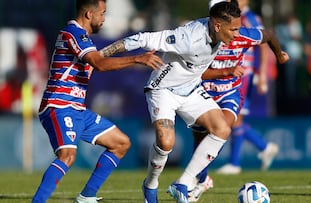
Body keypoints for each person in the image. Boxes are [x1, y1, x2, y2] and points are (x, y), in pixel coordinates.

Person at [100, 1, 288, 203]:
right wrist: (100, 55)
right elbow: (141, 38)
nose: (237, 34)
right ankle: (150, 185)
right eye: (233, 29)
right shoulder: (188, 37)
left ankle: (183, 183)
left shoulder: (236, 34)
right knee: (166, 142)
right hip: (164, 90)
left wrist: (279, 54)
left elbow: (268, 34)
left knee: (222, 128)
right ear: (217, 26)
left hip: (192, 89)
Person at [31, 0, 163, 203]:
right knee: (67, 156)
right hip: (59, 106)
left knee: (121, 143)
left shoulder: (85, 40)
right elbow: (100, 63)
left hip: (77, 109)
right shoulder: (72, 34)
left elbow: (100, 58)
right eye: (102, 13)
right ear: (88, 15)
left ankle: (86, 196)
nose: (104, 18)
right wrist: (137, 59)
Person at [187, 0, 286, 201]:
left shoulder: (247, 22)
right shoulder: (199, 32)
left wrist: (270, 66)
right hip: (205, 87)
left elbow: (266, 39)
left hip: (236, 82)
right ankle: (203, 179)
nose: (235, 32)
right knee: (200, 139)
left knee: (223, 127)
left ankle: (237, 161)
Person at [216, 0, 279, 175]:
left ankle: (235, 163)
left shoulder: (250, 17)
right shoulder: (232, 16)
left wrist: (263, 74)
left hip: (244, 73)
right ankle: (263, 146)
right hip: (231, 70)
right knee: (232, 118)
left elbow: (264, 43)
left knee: (235, 117)